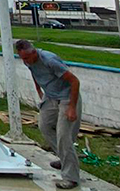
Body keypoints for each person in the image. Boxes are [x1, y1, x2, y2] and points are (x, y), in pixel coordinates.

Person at [16, 39, 82, 190]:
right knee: (44, 126)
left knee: (63, 136)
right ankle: (65, 158)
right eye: (22, 58)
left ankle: (71, 178)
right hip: (50, 97)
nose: (25, 61)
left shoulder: (50, 60)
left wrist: (72, 107)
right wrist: (39, 90)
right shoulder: (28, 61)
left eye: (27, 58)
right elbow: (34, 72)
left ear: (34, 52)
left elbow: (75, 81)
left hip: (67, 97)